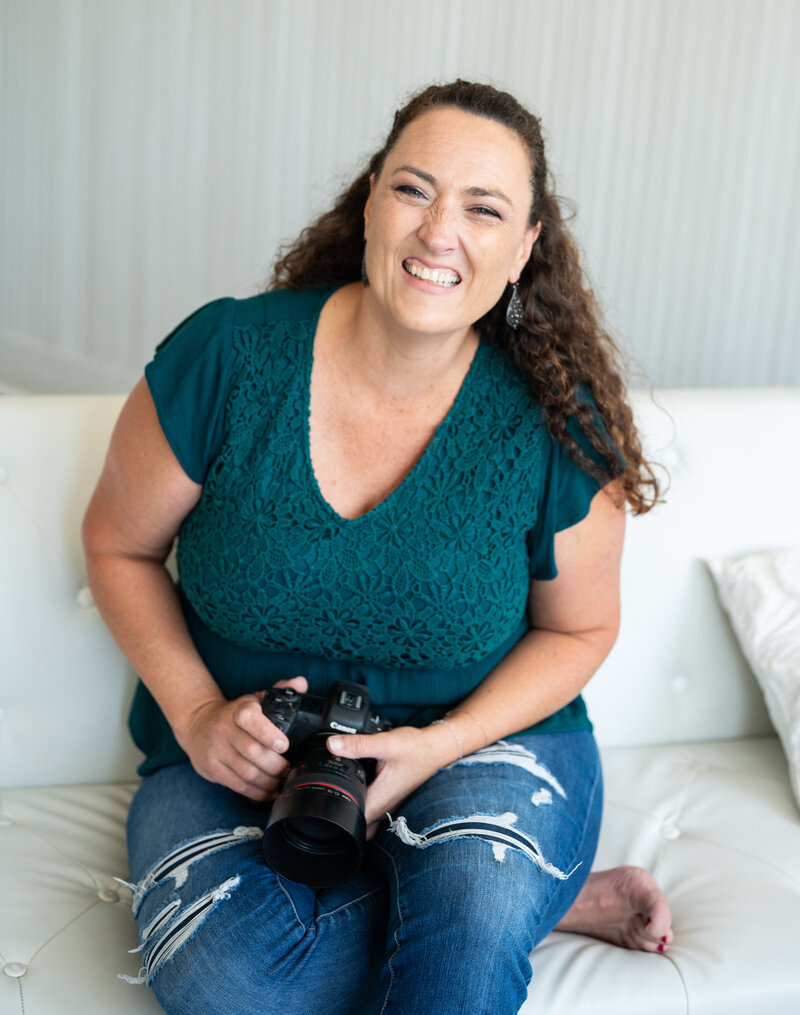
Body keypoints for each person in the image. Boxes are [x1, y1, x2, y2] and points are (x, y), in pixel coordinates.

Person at [83, 80, 672, 1014]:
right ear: (369, 200)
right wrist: (197, 715)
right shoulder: (227, 356)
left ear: (523, 251)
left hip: (479, 742)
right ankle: (514, 900)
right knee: (236, 981)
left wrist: (438, 745)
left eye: (484, 209)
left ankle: (481, 900)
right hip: (243, 759)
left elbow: (581, 629)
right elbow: (117, 545)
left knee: (465, 951)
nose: (441, 232)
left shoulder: (559, 422)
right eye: (414, 189)